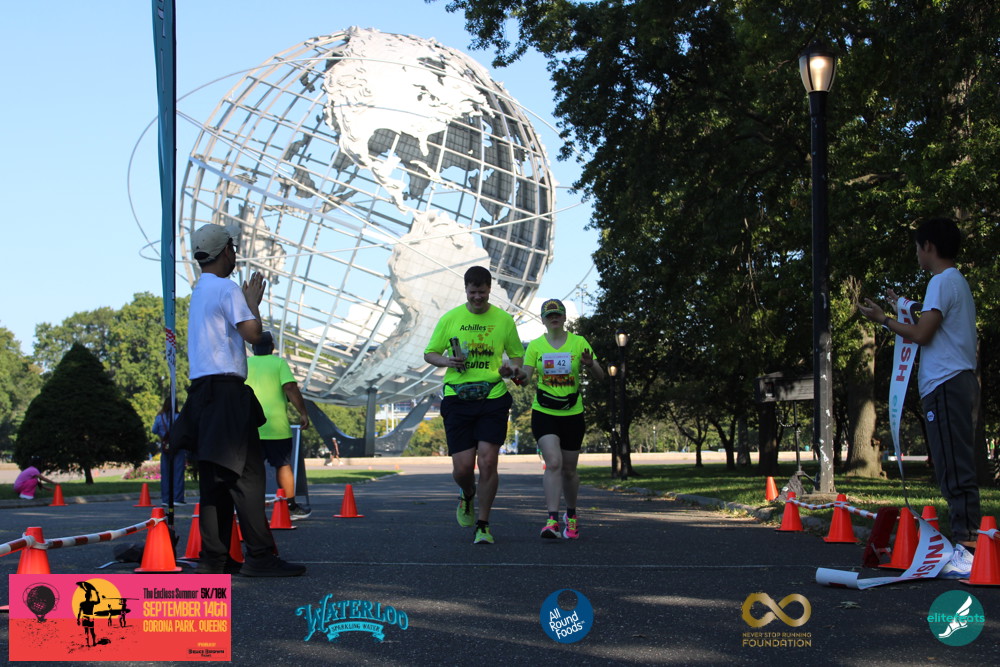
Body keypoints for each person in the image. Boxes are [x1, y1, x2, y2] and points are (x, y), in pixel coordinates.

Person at [172, 224, 305, 577]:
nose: (235, 254)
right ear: (226, 251)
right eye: (233, 247)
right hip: (227, 394)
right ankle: (260, 556)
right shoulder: (227, 288)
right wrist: (252, 305)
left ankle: (214, 559)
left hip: (202, 394)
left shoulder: (200, 290)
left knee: (214, 479)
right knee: (247, 476)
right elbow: (253, 334)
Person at [858, 217, 980, 576]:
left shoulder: (941, 281)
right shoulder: (954, 281)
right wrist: (901, 304)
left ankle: (969, 549)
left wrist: (883, 319)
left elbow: (923, 333)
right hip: (954, 383)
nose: (916, 254)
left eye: (917, 247)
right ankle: (971, 544)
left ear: (928, 246)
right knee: (953, 464)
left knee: (953, 467)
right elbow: (930, 320)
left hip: (946, 385)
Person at [423, 265, 524, 544]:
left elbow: (517, 356)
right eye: (472, 292)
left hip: (493, 396)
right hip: (458, 397)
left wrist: (511, 369)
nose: (477, 297)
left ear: (489, 290)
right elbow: (430, 353)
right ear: (465, 290)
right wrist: (447, 360)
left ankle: (483, 524)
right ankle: (467, 493)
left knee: (488, 461)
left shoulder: (503, 320)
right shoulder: (451, 318)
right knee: (463, 469)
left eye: (482, 292)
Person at [520, 299, 603, 539]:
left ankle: (572, 515)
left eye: (558, 314)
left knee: (569, 470)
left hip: (572, 413)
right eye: (549, 315)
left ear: (564, 317)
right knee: (554, 462)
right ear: (543, 320)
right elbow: (525, 379)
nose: (554, 318)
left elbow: (601, 376)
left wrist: (590, 364)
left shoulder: (579, 342)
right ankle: (552, 521)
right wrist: (514, 376)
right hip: (544, 412)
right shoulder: (535, 346)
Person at [245, 331, 312, 519]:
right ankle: (290, 507)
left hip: (250, 427)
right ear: (272, 347)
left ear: (253, 347)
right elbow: (290, 387)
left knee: (252, 469)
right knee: (283, 466)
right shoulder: (279, 363)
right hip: (276, 425)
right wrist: (303, 413)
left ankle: (250, 508)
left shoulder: (245, 364)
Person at [152, 397, 186, 505]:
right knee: (178, 473)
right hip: (178, 447)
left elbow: (154, 430)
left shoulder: (159, 417)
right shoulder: (179, 416)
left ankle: (166, 499)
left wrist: (162, 435)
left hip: (165, 447)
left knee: (165, 474)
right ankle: (177, 498)